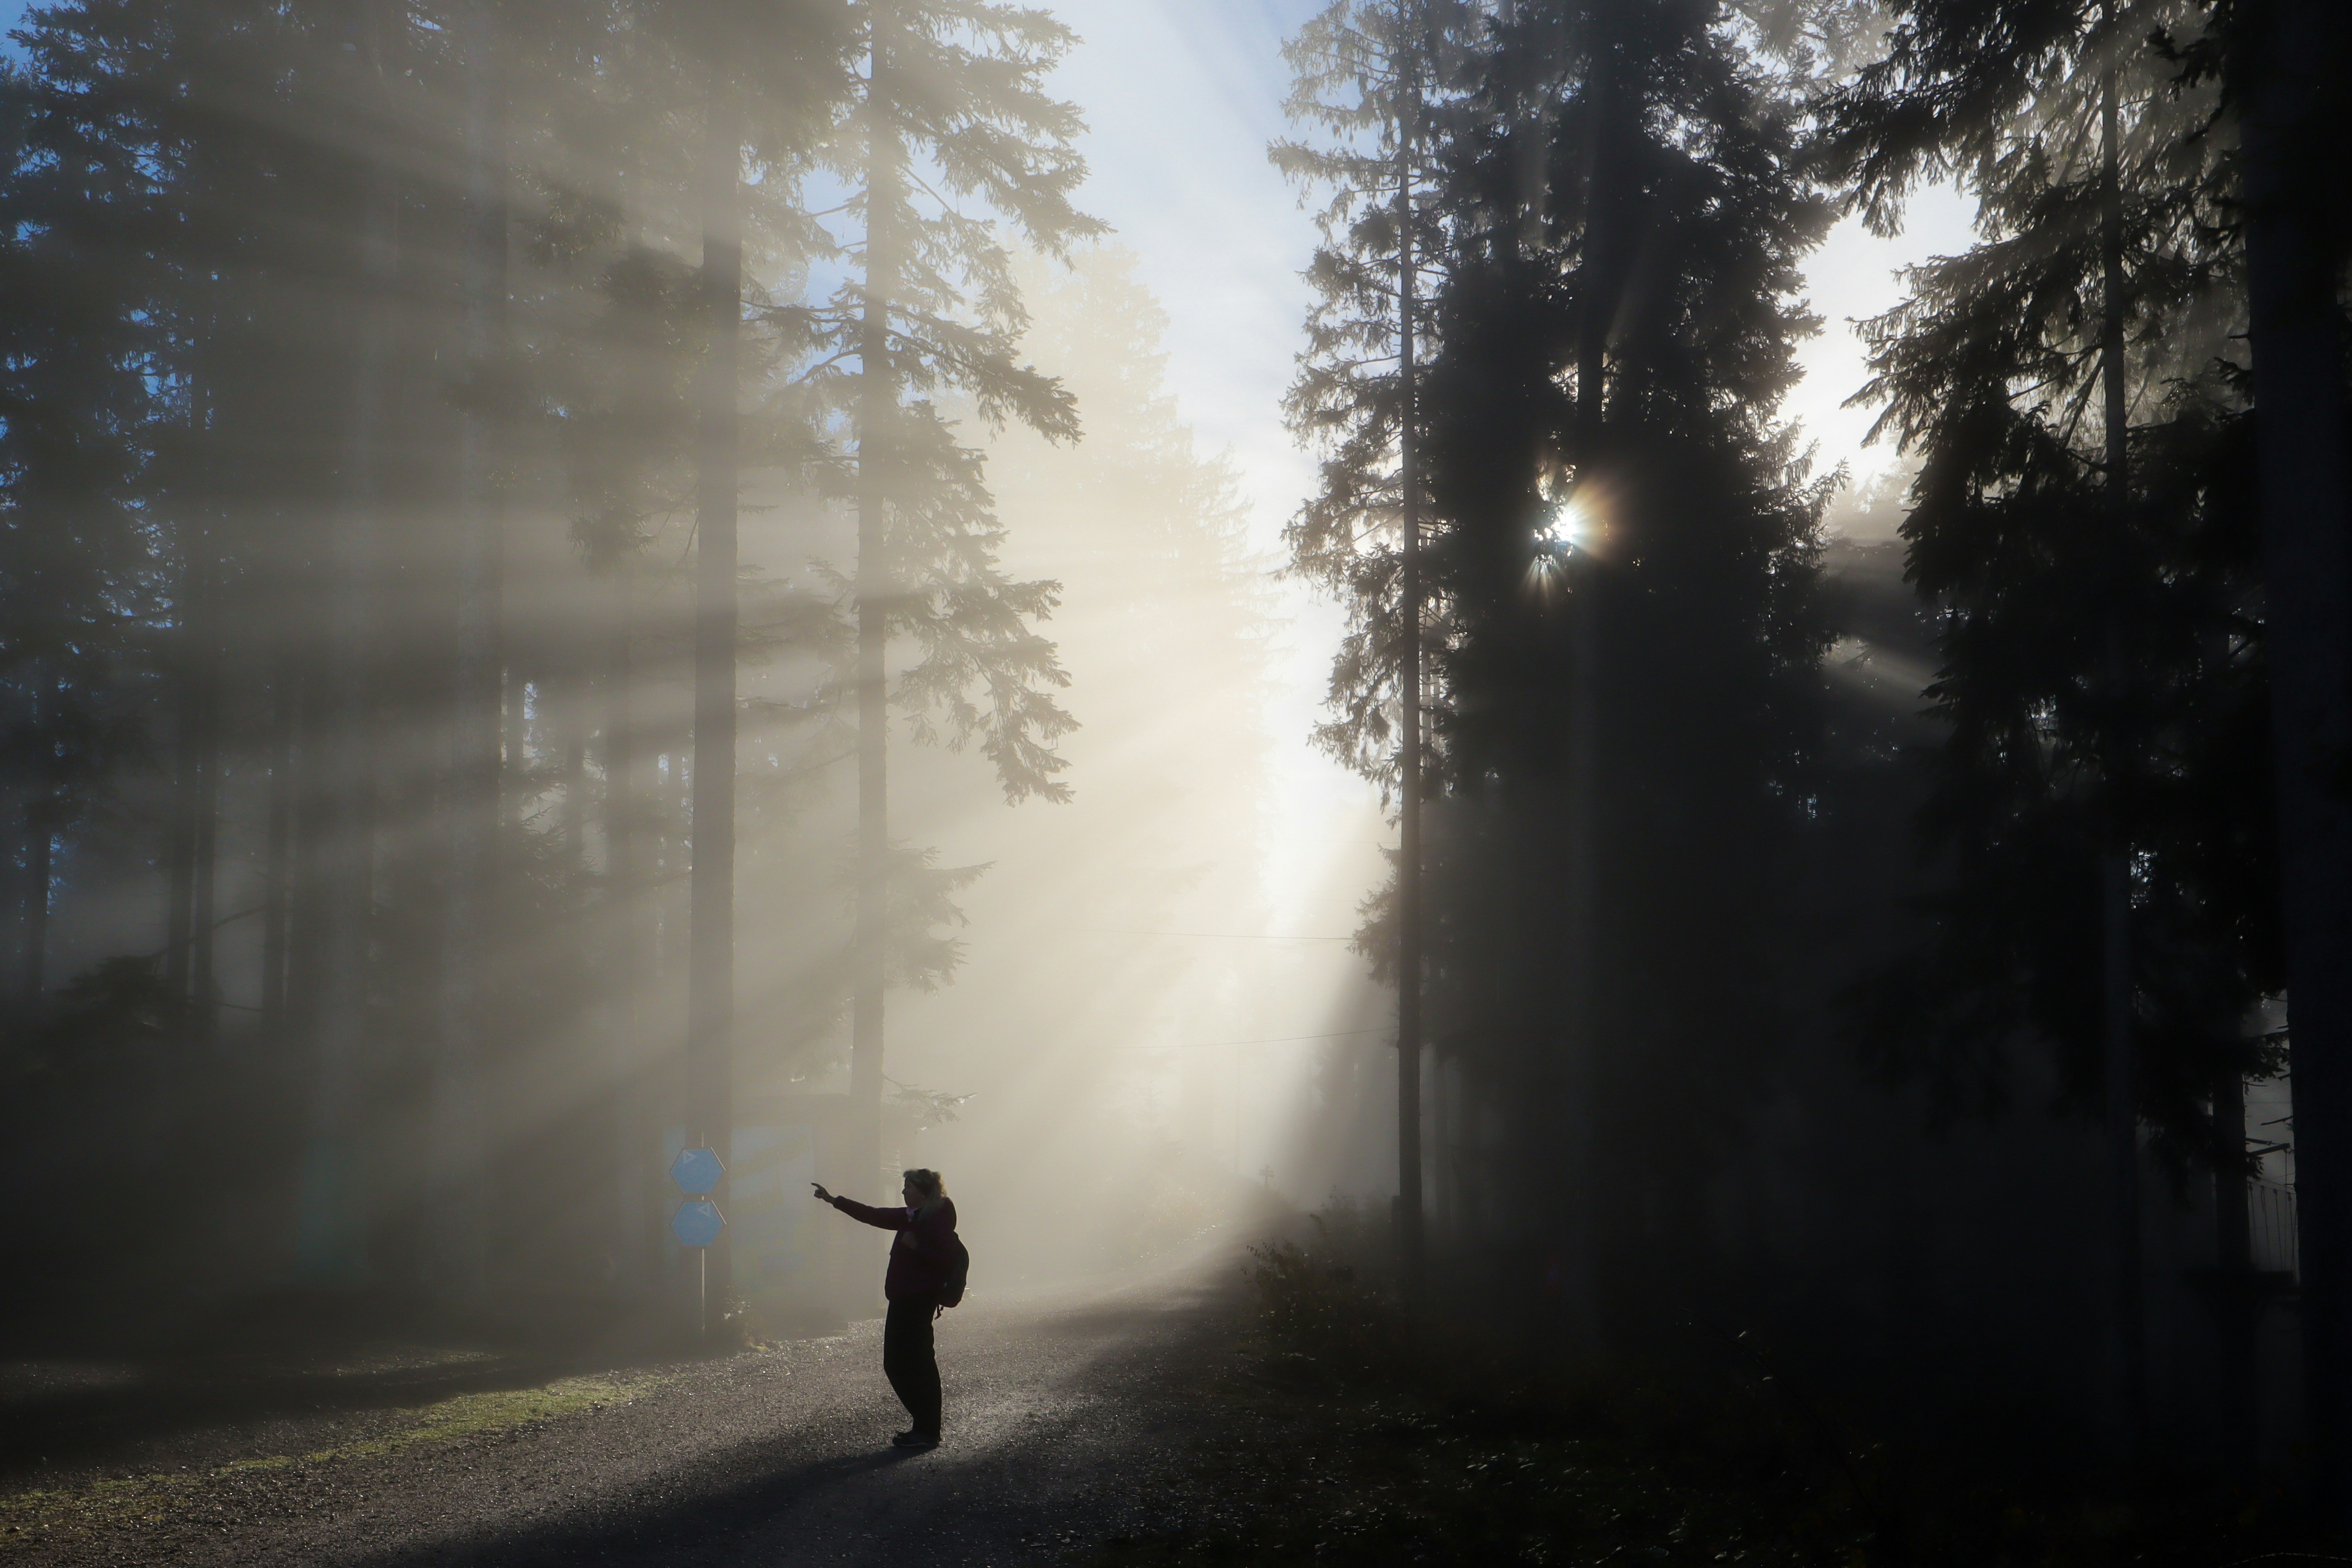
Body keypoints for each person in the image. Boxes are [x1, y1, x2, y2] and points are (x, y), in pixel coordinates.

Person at [812, 1168, 958, 1448]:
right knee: (896, 1364)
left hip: (920, 1301)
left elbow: (946, 1260)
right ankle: (924, 1426)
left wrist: (917, 1247)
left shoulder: (936, 1220)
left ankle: (928, 1430)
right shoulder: (910, 1217)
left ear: (924, 1192)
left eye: (909, 1187)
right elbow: (873, 1215)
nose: (903, 1192)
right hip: (902, 1300)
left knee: (919, 1365)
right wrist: (834, 1200)